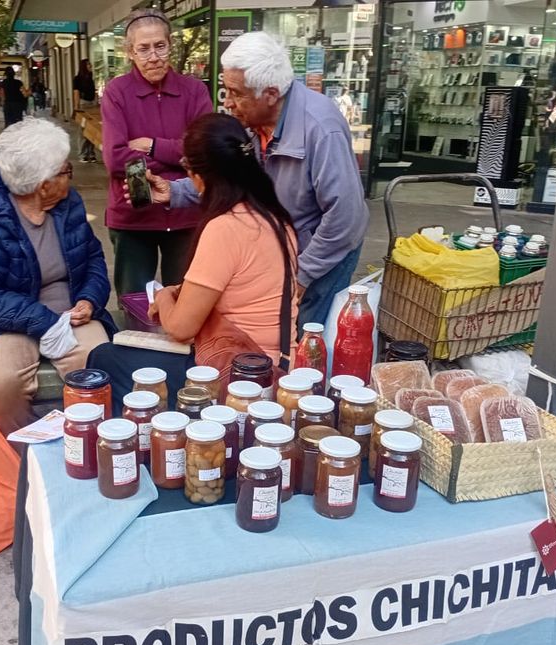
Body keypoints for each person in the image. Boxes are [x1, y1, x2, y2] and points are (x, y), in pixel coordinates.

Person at [150, 31, 369, 329]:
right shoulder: (254, 123)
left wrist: (302, 275)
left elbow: (346, 219)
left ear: (270, 94)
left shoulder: (320, 128)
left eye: (236, 93)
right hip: (286, 248)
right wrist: (175, 192)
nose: (227, 103)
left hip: (322, 254)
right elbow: (232, 178)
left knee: (304, 336)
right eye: (225, 91)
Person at [88, 113, 298, 410]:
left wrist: (163, 295)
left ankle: (149, 445)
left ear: (200, 175)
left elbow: (181, 327)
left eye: (187, 167)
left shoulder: (225, 227)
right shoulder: (276, 219)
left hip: (236, 372)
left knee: (105, 357)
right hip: (276, 364)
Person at [0, 118, 116, 437]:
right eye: (65, 170)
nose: (70, 175)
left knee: (101, 367)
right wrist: (46, 323)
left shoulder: (67, 203)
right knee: (1, 387)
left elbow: (92, 258)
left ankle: (89, 443)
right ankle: (28, 450)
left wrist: (89, 298)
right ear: (42, 184)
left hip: (67, 309)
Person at [101, 8, 212, 295]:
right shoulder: (117, 92)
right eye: (144, 49)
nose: (154, 57)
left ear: (170, 46)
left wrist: (152, 145)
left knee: (187, 302)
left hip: (186, 213)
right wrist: (177, 160)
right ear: (130, 52)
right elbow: (115, 159)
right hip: (134, 214)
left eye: (160, 46)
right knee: (136, 305)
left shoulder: (194, 90)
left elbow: (204, 152)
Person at [72, 59, 97, 163]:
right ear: (84, 66)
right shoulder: (77, 79)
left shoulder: (91, 77)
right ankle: (82, 154)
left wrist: (96, 101)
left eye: (90, 64)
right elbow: (76, 93)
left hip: (92, 104)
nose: (90, 66)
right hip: (83, 103)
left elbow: (94, 91)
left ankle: (91, 153)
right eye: (88, 64)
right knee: (82, 130)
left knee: (91, 129)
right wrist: (76, 107)